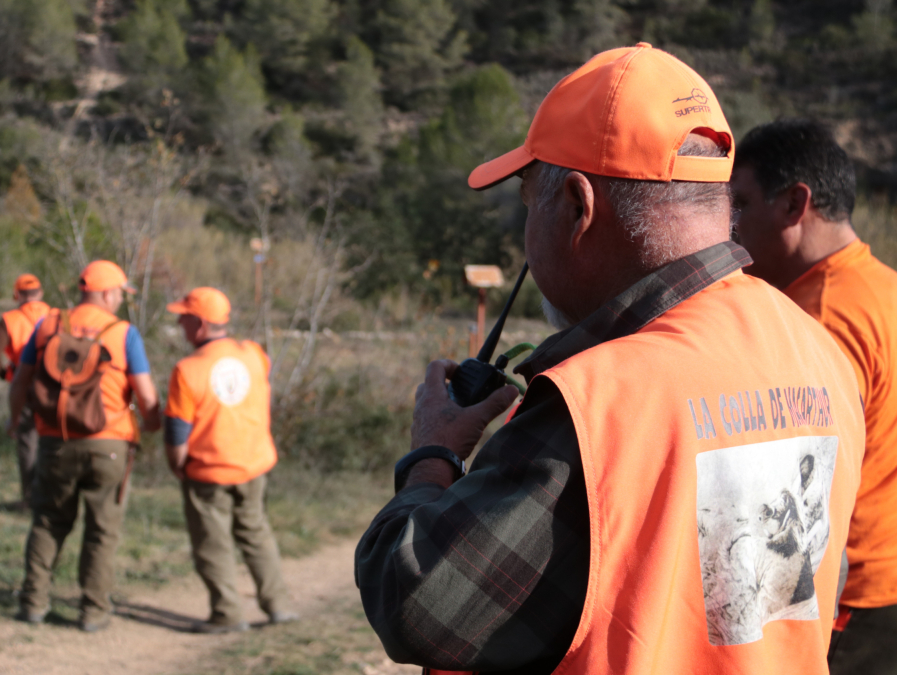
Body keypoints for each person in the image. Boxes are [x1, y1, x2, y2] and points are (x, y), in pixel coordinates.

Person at [355, 43, 866, 675]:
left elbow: (419, 608)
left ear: (576, 206)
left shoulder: (600, 401)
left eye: (526, 202)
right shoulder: (815, 348)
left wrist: (432, 454)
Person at [730, 119, 897, 674]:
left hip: (851, 601)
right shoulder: (884, 288)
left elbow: (793, 498)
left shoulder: (815, 321)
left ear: (793, 205)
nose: (728, 227)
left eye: (741, 203)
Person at [7, 260, 161, 632]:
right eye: (121, 294)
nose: (121, 301)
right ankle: (92, 610)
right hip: (109, 444)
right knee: (101, 529)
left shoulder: (48, 324)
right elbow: (145, 394)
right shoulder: (123, 333)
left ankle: (33, 603)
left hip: (54, 441)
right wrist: (153, 425)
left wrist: (16, 422)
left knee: (48, 521)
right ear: (108, 294)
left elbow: (21, 382)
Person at [162, 287, 297, 633]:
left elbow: (178, 433)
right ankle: (279, 606)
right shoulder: (253, 353)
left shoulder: (187, 369)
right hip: (254, 465)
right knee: (256, 533)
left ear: (201, 324)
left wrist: (177, 464)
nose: (179, 322)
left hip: (208, 471)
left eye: (185, 317)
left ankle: (227, 615)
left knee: (213, 544)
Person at [0, 273, 52, 507]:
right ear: (41, 293)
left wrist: (8, 375)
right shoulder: (56, 316)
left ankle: (29, 499)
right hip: (53, 388)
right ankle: (52, 496)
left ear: (17, 295)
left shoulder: (9, 319)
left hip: (24, 387)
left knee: (27, 441)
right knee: (52, 441)